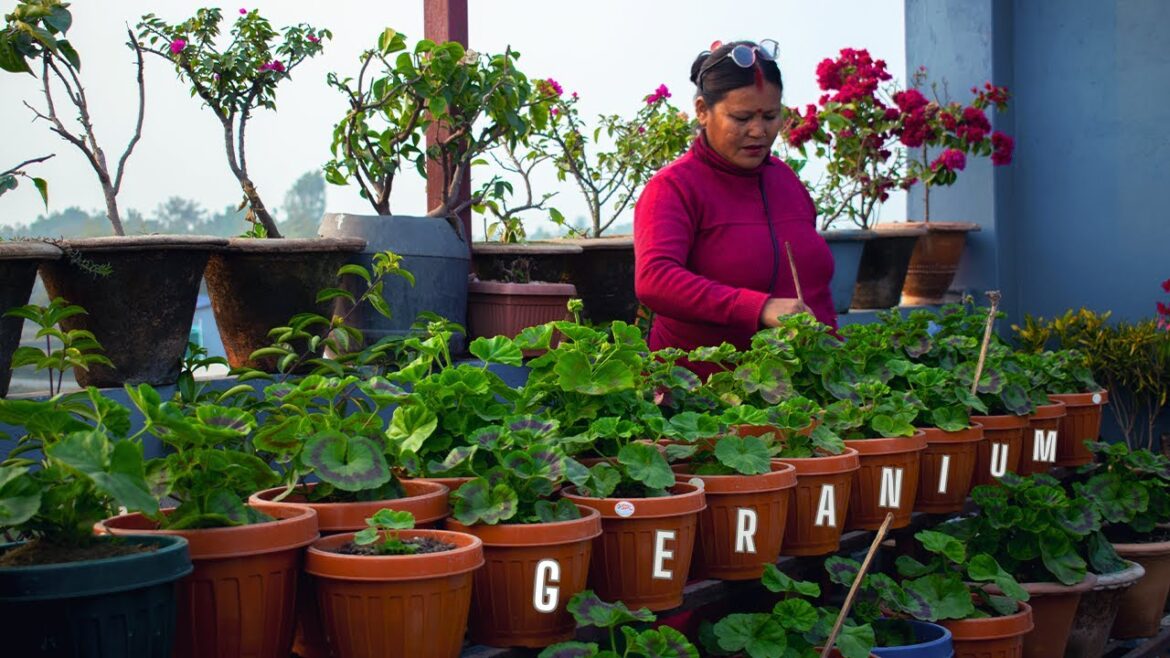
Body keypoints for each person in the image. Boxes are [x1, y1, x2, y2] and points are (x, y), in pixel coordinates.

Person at [634, 39, 838, 378]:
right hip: (703, 398)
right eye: (741, 117)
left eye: (770, 116)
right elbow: (655, 280)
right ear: (702, 110)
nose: (759, 131)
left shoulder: (785, 181)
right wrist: (759, 307)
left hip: (804, 390)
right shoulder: (674, 188)